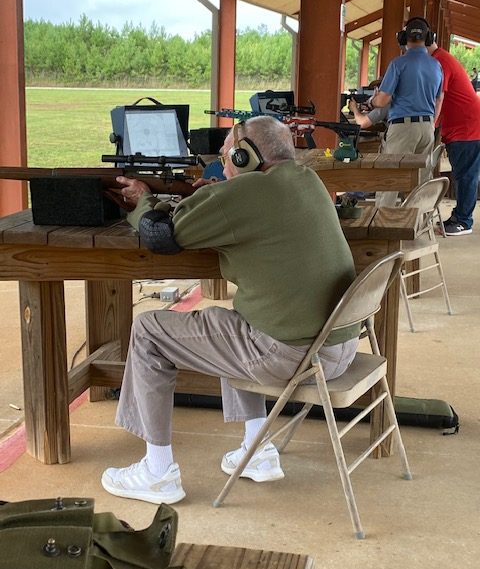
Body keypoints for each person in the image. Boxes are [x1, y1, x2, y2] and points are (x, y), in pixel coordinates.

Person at [101, 116, 361, 504]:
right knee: (227, 320)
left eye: (227, 158)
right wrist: (217, 195)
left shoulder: (249, 192)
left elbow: (166, 234)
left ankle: (157, 473)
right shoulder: (308, 179)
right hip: (339, 350)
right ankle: (257, 450)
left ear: (245, 155)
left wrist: (142, 202)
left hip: (292, 356)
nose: (223, 167)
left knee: (148, 330)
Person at [369, 17, 444, 206]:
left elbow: (384, 99)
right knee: (419, 181)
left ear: (403, 38)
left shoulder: (398, 64)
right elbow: (439, 98)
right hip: (427, 126)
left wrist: (372, 100)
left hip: (403, 127)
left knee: (390, 179)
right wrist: (431, 123)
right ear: (429, 39)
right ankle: (414, 223)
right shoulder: (436, 66)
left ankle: (383, 226)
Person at [427, 39, 480, 235]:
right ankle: (459, 216)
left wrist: (430, 125)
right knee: (462, 174)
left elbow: (437, 97)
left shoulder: (439, 62)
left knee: (466, 175)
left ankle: (464, 222)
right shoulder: (440, 59)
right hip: (463, 126)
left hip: (467, 127)